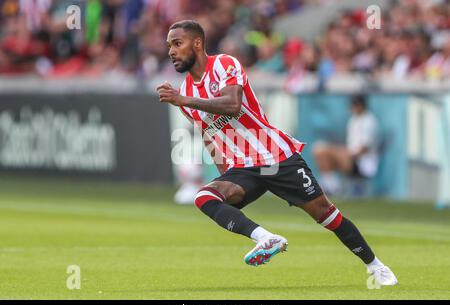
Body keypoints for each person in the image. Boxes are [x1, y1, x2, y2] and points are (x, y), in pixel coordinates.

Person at [156, 20, 397, 286]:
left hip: (275, 156)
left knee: (325, 214)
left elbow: (233, 105)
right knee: (205, 197)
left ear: (197, 43)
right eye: (169, 45)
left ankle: (376, 266)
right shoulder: (187, 92)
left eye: (177, 44)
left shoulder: (223, 65)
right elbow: (209, 135)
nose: (171, 51)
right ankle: (265, 238)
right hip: (243, 167)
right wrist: (228, 175)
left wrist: (183, 100)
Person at [313, 96, 380, 195]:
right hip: (351, 157)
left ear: (361, 106)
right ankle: (331, 185)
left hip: (363, 162)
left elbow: (364, 148)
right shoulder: (353, 120)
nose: (352, 108)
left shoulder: (369, 121)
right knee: (319, 151)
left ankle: (334, 187)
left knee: (324, 150)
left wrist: (347, 154)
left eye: (354, 105)